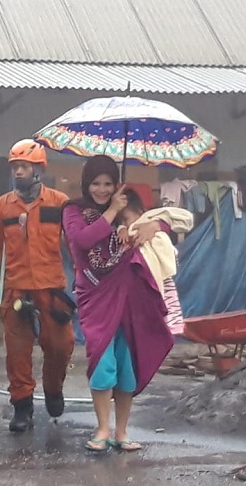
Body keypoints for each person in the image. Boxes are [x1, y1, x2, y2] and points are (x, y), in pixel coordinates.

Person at [61, 155, 174, 452]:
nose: (101, 189)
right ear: (87, 183)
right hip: (95, 295)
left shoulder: (127, 202)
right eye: (96, 183)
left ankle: (121, 432)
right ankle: (101, 430)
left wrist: (155, 226)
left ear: (116, 184)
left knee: (126, 364)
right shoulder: (73, 210)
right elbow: (83, 241)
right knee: (102, 360)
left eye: (108, 184)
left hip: (131, 293)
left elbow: (160, 220)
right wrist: (111, 211)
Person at [0, 139, 75, 432]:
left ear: (38, 169)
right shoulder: (1, 207)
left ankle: (54, 389)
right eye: (15, 167)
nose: (18, 172)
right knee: (17, 353)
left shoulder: (59, 203)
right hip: (17, 290)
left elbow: (77, 244)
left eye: (24, 167)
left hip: (51, 289)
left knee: (60, 346)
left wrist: (88, 279)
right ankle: (22, 407)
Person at [116, 189, 192, 336]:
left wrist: (156, 225)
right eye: (121, 222)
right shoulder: (122, 232)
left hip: (159, 274)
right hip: (139, 280)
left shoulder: (149, 219)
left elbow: (185, 219)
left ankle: (172, 327)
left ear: (139, 211)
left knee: (168, 301)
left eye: (126, 219)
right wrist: (121, 229)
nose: (125, 224)